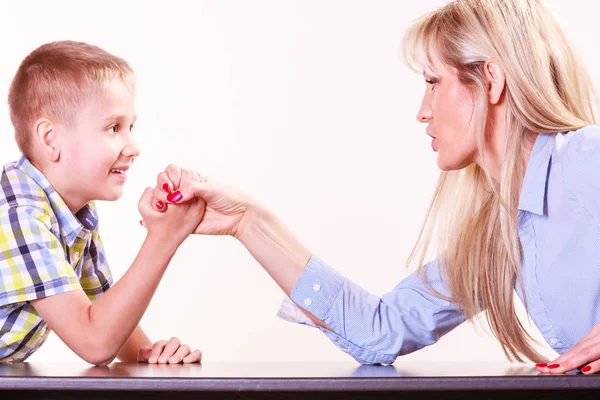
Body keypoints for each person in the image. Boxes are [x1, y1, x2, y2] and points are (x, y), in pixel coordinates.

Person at [152, 0, 600, 374]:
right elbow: (380, 331)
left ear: (490, 80)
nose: (422, 112)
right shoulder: (496, 235)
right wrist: (247, 221)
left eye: (432, 83)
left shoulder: (583, 160)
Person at [0, 41, 205, 365]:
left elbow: (109, 319)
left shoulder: (74, 212)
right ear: (50, 139)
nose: (134, 146)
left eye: (130, 127)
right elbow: (95, 342)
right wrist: (162, 238)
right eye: (113, 128)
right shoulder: (18, 217)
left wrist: (152, 355)